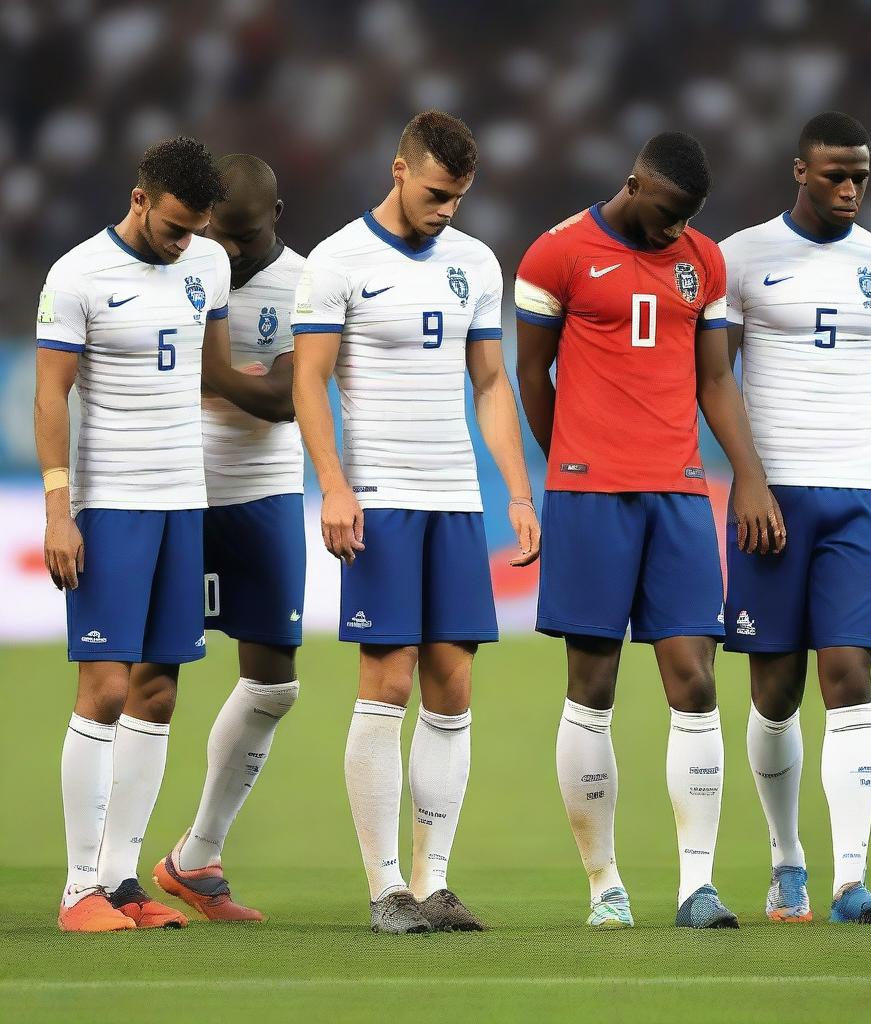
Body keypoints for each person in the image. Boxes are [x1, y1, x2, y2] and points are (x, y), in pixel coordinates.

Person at [515, 132, 783, 930]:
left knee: (694, 679)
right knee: (592, 686)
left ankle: (696, 886)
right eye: (664, 216)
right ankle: (605, 885)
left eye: (685, 221)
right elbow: (533, 373)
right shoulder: (555, 255)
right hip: (590, 495)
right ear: (634, 183)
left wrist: (750, 476)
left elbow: (715, 380)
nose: (672, 234)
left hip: (677, 493)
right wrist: (571, 460)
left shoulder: (704, 261)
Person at [292, 110, 540, 934]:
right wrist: (332, 485)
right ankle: (385, 887)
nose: (449, 210)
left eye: (461, 197)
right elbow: (310, 381)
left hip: (456, 501)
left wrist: (516, 490)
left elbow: (492, 385)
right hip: (381, 498)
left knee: (454, 684)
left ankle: (435, 882)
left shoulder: (475, 263)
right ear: (399, 170)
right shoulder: (338, 262)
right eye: (438, 193)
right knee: (387, 679)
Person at [719, 111, 871, 925]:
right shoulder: (741, 258)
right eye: (836, 175)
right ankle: (787, 865)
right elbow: (718, 379)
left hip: (855, 496)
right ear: (799, 172)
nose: (850, 190)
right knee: (775, 692)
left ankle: (852, 880)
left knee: (848, 676)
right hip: (771, 500)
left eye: (862, 178)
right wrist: (746, 480)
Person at [34, 136, 230, 932]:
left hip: (185, 501)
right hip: (110, 503)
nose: (184, 243)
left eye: (195, 230)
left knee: (157, 690)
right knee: (106, 687)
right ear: (140, 198)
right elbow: (52, 396)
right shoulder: (78, 274)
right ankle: (78, 888)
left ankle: (122, 884)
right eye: (173, 227)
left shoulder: (208, 267)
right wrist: (58, 507)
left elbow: (211, 372)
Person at [153, 154, 306, 922]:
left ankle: (195, 857)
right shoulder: (182, 259)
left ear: (277, 213)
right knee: (147, 681)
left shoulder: (304, 282)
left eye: (243, 236)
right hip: (174, 487)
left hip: (262, 491)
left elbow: (282, 400)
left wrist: (192, 370)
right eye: (218, 232)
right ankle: (101, 876)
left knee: (276, 682)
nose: (228, 250)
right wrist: (225, 376)